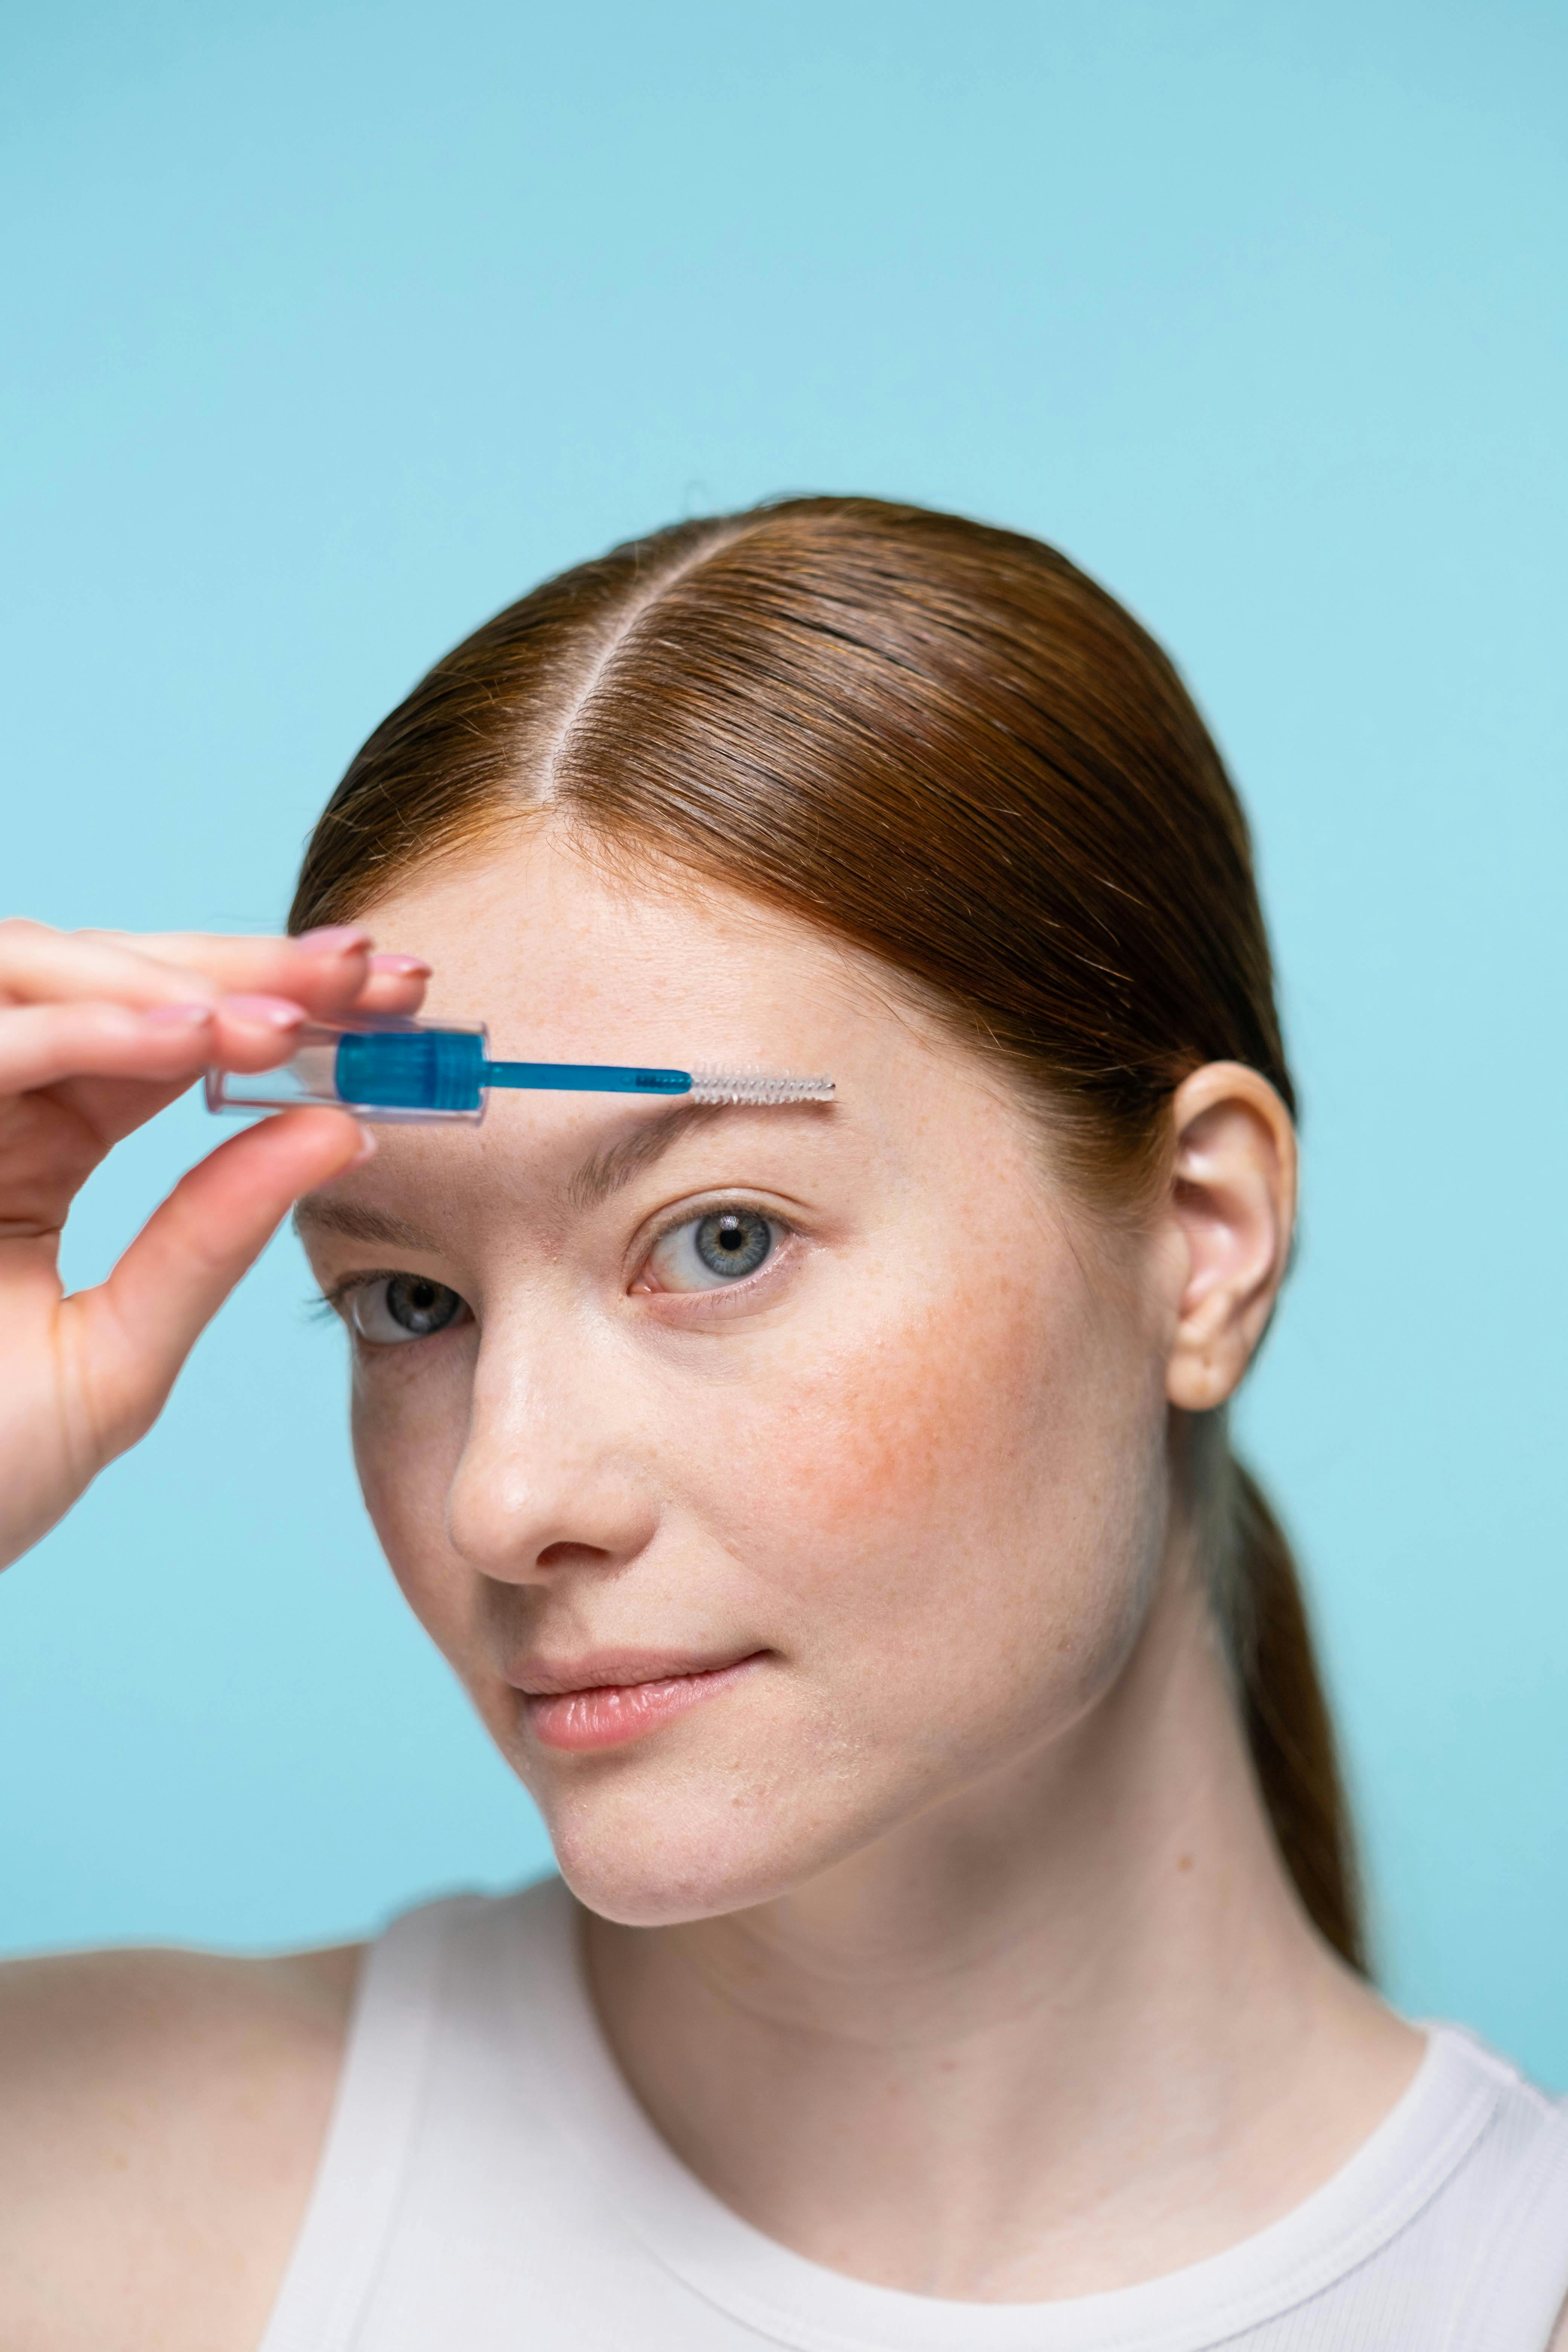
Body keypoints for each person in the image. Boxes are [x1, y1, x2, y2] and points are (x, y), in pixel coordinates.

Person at [1, 498, 1563, 2351]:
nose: (506, 1497)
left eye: (719, 1240)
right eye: (406, 1302)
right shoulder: (88, 2203)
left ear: (1199, 1240)